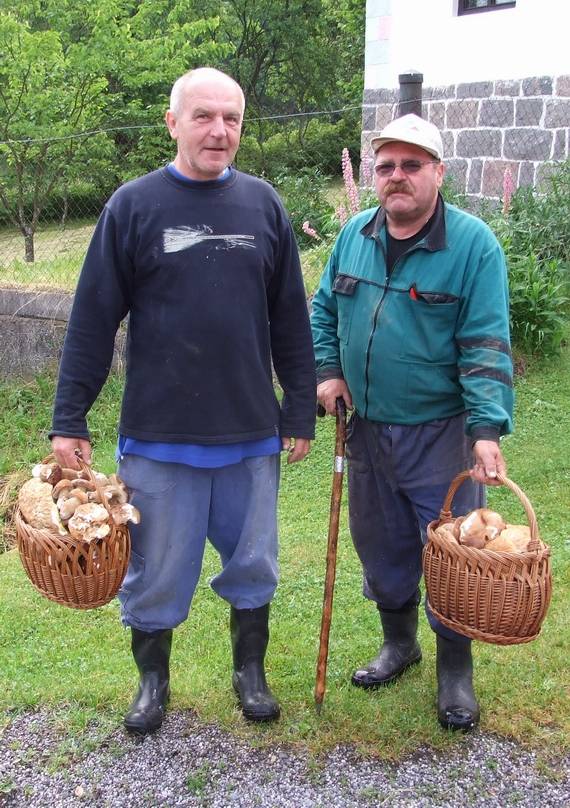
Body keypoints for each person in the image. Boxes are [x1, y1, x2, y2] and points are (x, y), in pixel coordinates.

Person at [50, 67, 316, 735]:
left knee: (254, 564)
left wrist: (299, 406)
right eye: (203, 116)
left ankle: (248, 675)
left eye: (230, 118)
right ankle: (152, 683)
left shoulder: (264, 206)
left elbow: (290, 317)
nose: (218, 130)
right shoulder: (134, 207)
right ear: (172, 123)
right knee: (158, 574)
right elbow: (92, 317)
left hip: (250, 434)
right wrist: (69, 416)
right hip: (159, 436)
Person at [311, 113, 513, 731]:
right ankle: (399, 644)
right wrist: (328, 373)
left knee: (452, 551)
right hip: (365, 428)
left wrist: (485, 430)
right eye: (386, 166)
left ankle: (456, 669)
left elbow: (484, 344)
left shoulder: (473, 246)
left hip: (440, 433)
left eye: (411, 165)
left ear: (438, 173)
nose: (396, 177)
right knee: (380, 544)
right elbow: (322, 309)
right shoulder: (354, 237)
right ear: (374, 175)